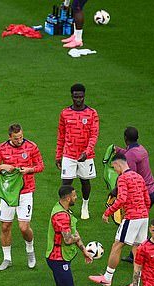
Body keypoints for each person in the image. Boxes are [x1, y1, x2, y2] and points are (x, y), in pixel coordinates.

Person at [35, 185, 94, 286]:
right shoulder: (61, 215)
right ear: (68, 198)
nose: (76, 198)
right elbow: (68, 239)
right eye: (74, 196)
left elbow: (72, 231)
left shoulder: (63, 209)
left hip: (59, 257)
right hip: (58, 259)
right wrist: (77, 239)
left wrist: (84, 250)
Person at [89, 153, 150, 286]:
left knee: (117, 246)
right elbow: (147, 199)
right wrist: (143, 213)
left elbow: (121, 199)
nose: (114, 170)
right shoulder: (139, 177)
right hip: (144, 217)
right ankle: (136, 284)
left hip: (132, 217)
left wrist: (107, 212)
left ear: (118, 164)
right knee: (137, 251)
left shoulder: (122, 178)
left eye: (114, 167)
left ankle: (107, 278)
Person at [0, 124, 44, 271]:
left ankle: (30, 250)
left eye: (20, 137)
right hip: (8, 193)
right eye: (16, 138)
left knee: (23, 227)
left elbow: (41, 166)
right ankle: (7, 258)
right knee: (5, 226)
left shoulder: (31, 146)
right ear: (9, 137)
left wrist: (30, 170)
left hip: (26, 192)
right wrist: (2, 167)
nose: (19, 140)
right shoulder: (1, 148)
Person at [113, 127, 154, 263]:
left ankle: (144, 255)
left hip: (144, 193)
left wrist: (115, 190)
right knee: (139, 225)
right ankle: (137, 255)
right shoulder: (141, 149)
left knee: (135, 224)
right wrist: (119, 150)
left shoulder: (130, 156)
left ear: (125, 138)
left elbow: (129, 176)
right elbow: (129, 154)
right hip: (153, 190)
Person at [55, 83, 99, 220]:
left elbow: (94, 135)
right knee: (66, 183)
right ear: (72, 96)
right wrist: (58, 155)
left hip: (86, 155)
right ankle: (65, 208)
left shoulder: (92, 113)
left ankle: (85, 206)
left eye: (80, 97)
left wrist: (87, 152)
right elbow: (61, 135)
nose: (78, 100)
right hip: (69, 154)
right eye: (76, 97)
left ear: (84, 96)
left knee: (85, 181)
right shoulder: (65, 113)